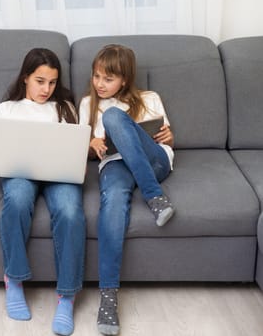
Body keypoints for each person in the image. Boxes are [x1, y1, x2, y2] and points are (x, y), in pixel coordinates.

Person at [0, 48, 87, 336]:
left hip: (59, 172)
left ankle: (66, 297)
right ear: (25, 77)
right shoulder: (6, 109)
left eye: (52, 82)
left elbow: (77, 146)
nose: (46, 89)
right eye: (40, 81)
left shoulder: (65, 107)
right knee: (17, 200)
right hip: (19, 169)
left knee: (70, 211)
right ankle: (13, 280)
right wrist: (16, 141)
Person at [78, 44, 175, 335]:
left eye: (108, 79)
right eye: (97, 76)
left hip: (153, 162)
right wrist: (90, 145)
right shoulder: (87, 105)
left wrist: (169, 136)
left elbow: (164, 138)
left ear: (125, 78)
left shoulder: (150, 98)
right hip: (114, 165)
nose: (100, 84)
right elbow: (78, 146)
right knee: (113, 203)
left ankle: (153, 194)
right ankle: (108, 297)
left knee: (113, 118)